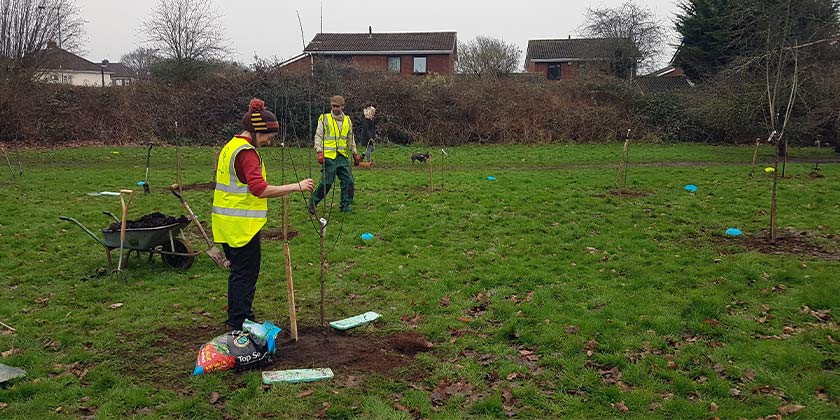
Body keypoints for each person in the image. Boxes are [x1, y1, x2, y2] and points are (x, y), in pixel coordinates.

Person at [212, 98, 314, 330]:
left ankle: (239, 316)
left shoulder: (231, 146)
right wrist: (295, 186)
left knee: (239, 273)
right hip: (241, 227)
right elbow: (260, 189)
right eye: (268, 135)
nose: (270, 140)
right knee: (245, 275)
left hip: (226, 223)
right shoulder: (246, 154)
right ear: (256, 131)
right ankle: (241, 322)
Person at [309, 95, 360, 213]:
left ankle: (345, 206)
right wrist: (319, 152)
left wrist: (355, 153)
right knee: (327, 182)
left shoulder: (347, 120)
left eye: (337, 106)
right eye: (333, 106)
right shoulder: (324, 118)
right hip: (328, 156)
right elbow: (318, 136)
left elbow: (350, 138)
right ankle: (313, 202)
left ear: (343, 106)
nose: (335, 108)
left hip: (342, 156)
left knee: (348, 180)